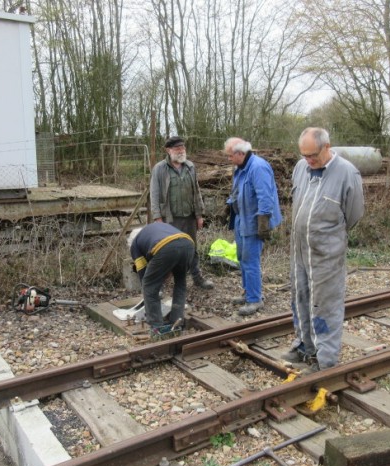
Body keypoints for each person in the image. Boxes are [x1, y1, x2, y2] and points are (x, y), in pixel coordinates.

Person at [284, 127, 364, 371]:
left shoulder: (347, 173)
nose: (308, 160)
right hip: (299, 251)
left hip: (327, 254)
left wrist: (327, 236)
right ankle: (304, 345)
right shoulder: (301, 168)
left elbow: (353, 215)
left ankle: (324, 358)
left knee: (325, 305)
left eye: (313, 155)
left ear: (327, 147)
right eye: (304, 155)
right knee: (300, 299)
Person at [224, 137, 282, 316]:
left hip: (254, 221)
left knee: (251, 260)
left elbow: (265, 197)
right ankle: (248, 292)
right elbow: (237, 191)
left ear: (240, 153)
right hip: (242, 218)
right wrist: (229, 205)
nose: (229, 159)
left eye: (230, 156)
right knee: (242, 258)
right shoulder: (240, 168)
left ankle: (255, 299)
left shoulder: (258, 167)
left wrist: (263, 223)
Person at [149, 136, 214, 290]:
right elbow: (154, 193)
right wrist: (157, 217)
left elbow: (196, 192)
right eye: (177, 149)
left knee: (191, 248)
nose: (181, 151)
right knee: (168, 250)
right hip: (169, 219)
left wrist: (199, 215)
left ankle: (197, 278)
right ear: (168, 150)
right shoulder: (159, 168)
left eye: (183, 148)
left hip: (189, 217)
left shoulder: (190, 166)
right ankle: (161, 283)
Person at [130, 222, 195, 331]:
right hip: (188, 244)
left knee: (148, 285)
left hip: (166, 247)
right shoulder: (153, 230)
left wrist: (151, 293)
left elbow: (143, 274)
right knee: (180, 283)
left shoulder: (135, 244)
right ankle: (177, 321)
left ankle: (156, 326)